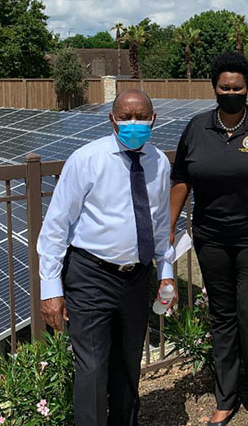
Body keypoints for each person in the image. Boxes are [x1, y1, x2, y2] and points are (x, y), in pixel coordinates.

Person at [170, 52, 248, 426]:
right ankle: (225, 399)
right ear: (214, 88)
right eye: (224, 87)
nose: (230, 92)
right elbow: (181, 180)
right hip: (211, 242)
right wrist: (166, 228)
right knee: (222, 319)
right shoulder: (196, 128)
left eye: (237, 87)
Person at [37, 89, 175, 426]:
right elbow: (56, 225)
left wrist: (166, 271)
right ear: (112, 119)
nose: (134, 123)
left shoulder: (159, 162)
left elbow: (159, 223)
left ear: (153, 120)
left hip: (136, 277)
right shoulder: (86, 159)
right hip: (90, 276)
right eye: (126, 117)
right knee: (93, 368)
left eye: (142, 117)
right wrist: (50, 289)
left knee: (128, 365)